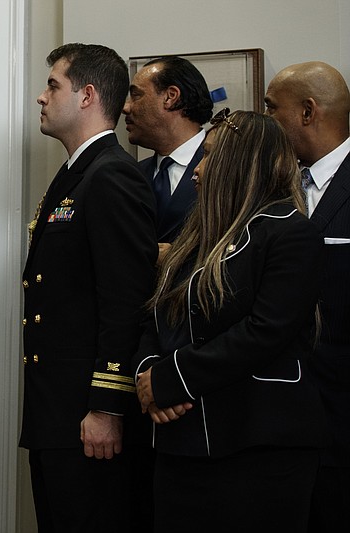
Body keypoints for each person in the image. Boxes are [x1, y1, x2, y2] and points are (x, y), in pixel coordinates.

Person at [133, 109, 328, 533]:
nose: (198, 171)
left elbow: (265, 331)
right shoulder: (195, 236)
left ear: (241, 164)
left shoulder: (291, 233)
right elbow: (156, 317)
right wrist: (146, 373)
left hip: (258, 449)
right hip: (180, 445)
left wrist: (171, 379)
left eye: (209, 157)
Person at [20, 43, 157, 532]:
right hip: (58, 411)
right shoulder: (78, 172)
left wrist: (106, 405)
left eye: (53, 85)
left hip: (87, 415)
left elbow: (126, 301)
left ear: (87, 95)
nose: (41, 96)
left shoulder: (112, 176)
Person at [265, 61, 350, 533]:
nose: (266, 119)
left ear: (307, 112)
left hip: (341, 430)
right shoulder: (275, 186)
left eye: (271, 109)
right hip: (277, 432)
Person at [122, 56, 213, 258]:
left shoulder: (225, 166)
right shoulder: (133, 175)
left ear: (170, 97)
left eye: (136, 96)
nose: (126, 108)